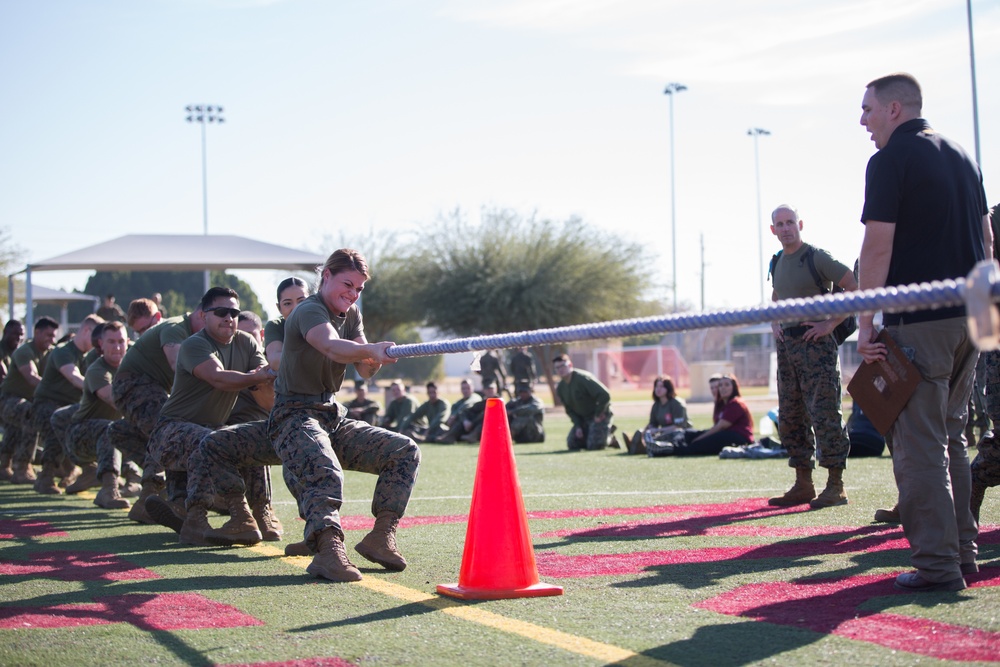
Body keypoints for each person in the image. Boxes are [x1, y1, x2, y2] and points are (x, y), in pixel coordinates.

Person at [856, 73, 990, 592]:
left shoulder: (890, 160)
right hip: (972, 317)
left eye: (867, 109)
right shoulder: (963, 155)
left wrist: (866, 322)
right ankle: (963, 554)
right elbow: (986, 241)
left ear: (894, 109)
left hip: (923, 321)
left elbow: (877, 248)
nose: (862, 120)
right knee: (952, 435)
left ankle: (937, 565)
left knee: (918, 445)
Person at [267, 248, 420, 583]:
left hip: (330, 414)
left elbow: (365, 370)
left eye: (359, 289)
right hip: (292, 415)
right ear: (326, 277)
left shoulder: (352, 315)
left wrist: (380, 354)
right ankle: (328, 550)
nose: (352, 294)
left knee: (404, 451)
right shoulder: (310, 310)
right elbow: (332, 347)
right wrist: (369, 350)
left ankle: (381, 537)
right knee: (324, 468)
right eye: (347, 285)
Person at [143, 288, 273, 539]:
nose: (229, 318)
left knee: (250, 434)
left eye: (234, 312)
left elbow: (266, 399)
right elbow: (218, 378)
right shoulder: (195, 345)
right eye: (221, 312)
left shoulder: (246, 342)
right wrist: (260, 376)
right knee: (211, 442)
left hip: (209, 432)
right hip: (170, 431)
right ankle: (202, 518)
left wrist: (267, 381)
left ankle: (260, 512)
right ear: (203, 316)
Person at [766, 205, 858, 509]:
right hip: (788, 348)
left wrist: (830, 323)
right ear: (773, 230)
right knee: (791, 415)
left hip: (816, 346)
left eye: (790, 222)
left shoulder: (816, 256)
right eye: (780, 224)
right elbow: (777, 295)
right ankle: (803, 483)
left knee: (825, 413)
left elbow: (853, 287)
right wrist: (775, 322)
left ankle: (835, 486)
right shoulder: (778, 260)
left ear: (800, 224)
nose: (786, 228)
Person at [109, 300, 205, 523]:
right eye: (139, 331)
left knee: (167, 432)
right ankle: (148, 498)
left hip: (147, 389)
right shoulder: (175, 328)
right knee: (165, 432)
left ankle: (173, 496)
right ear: (202, 315)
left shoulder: (194, 335)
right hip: (136, 385)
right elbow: (178, 363)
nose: (143, 335)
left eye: (146, 329)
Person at [31, 314, 104, 494]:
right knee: (57, 418)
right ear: (86, 330)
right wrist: (99, 389)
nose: (99, 341)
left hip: (72, 405)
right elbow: (73, 377)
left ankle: (80, 470)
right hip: (45, 403)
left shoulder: (91, 355)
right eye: (97, 336)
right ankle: (46, 476)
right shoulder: (63, 351)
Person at [0, 317, 60, 484]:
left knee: (20, 421)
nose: (51, 339)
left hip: (25, 401)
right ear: (37, 333)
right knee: (30, 414)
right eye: (48, 335)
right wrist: (56, 392)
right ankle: (22, 467)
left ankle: (4, 465)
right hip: (6, 399)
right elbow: (31, 377)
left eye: (54, 336)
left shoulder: (51, 353)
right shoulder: (25, 351)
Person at [654, 375, 754, 456]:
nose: (723, 388)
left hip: (737, 438)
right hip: (724, 434)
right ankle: (661, 442)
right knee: (688, 433)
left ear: (734, 387)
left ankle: (665, 449)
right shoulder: (721, 404)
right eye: (721, 385)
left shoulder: (736, 403)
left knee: (697, 445)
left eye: (727, 385)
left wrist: (700, 438)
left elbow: (720, 427)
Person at [553, 354, 614, 451]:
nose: (560, 369)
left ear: (570, 365)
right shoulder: (560, 388)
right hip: (583, 419)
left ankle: (609, 438)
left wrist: (599, 413)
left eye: (563, 366)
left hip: (599, 416)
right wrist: (578, 426)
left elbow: (605, 395)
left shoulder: (583, 378)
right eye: (557, 367)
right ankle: (598, 434)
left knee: (594, 446)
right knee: (572, 444)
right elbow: (569, 410)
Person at [627, 375, 689, 455]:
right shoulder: (656, 405)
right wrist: (645, 431)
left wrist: (657, 430)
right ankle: (636, 443)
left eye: (661, 386)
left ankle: (643, 446)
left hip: (681, 434)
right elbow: (653, 423)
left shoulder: (677, 404)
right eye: (656, 386)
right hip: (664, 432)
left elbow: (678, 426)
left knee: (670, 435)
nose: (658, 389)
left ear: (668, 388)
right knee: (645, 433)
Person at [264, 277, 310, 372]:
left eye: (301, 301)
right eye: (288, 303)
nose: (296, 308)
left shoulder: (322, 323)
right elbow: (276, 362)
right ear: (279, 308)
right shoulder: (275, 326)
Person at [0, 319, 26, 479]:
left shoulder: (18, 352)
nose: (19, 337)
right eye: (15, 334)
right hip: (4, 397)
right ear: (5, 333)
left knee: (16, 423)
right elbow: (3, 378)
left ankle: (6, 464)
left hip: (11, 397)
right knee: (19, 416)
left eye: (21, 334)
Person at [434, 379, 483, 444]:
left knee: (460, 420)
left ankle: (449, 437)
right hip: (461, 426)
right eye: (463, 388)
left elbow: (467, 405)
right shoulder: (457, 403)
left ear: (472, 388)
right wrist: (451, 418)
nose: (465, 391)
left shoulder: (476, 397)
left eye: (468, 388)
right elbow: (452, 414)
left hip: (471, 424)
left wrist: (456, 416)